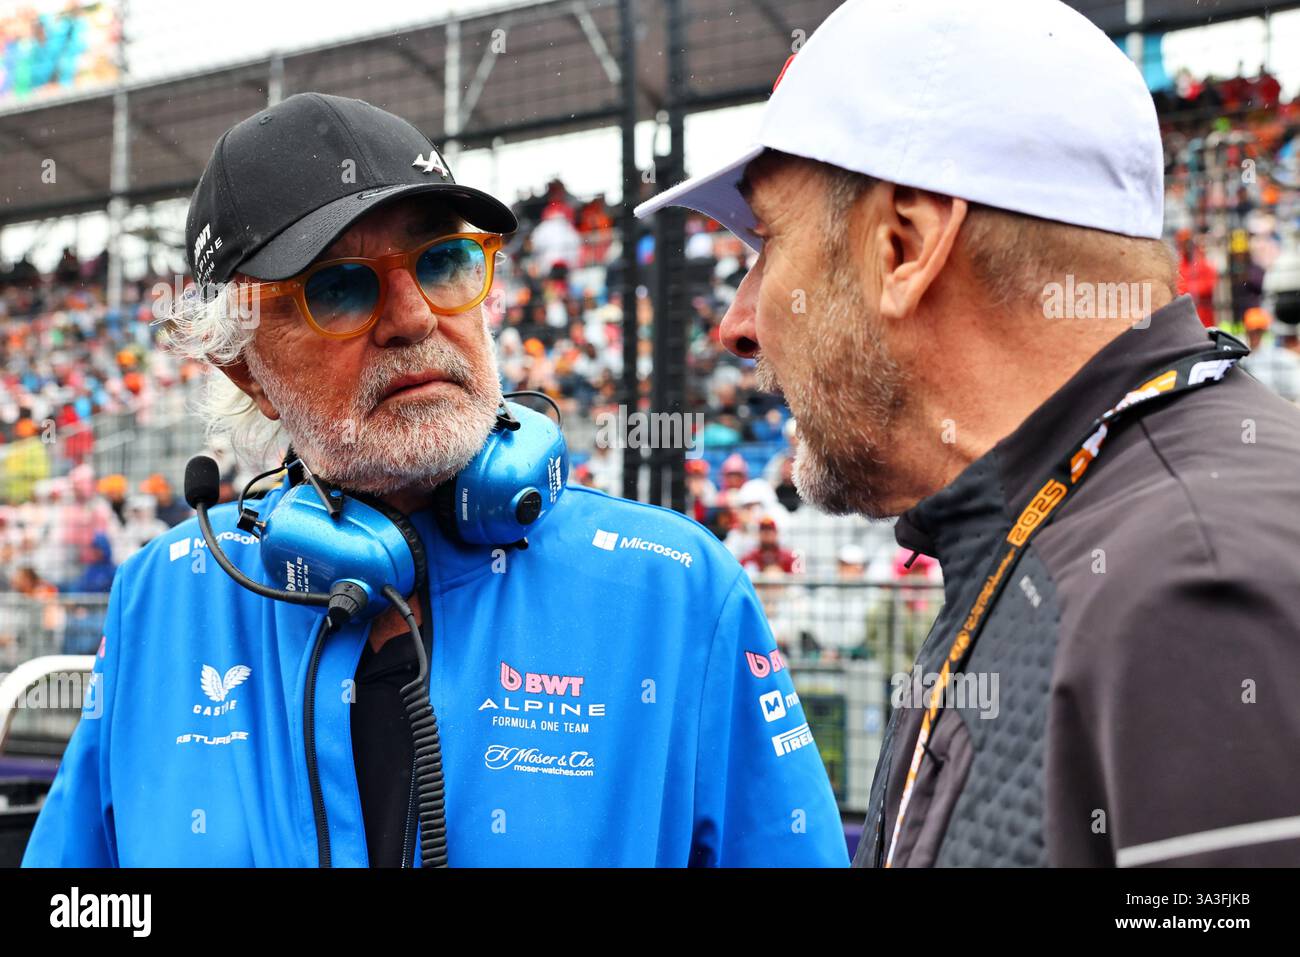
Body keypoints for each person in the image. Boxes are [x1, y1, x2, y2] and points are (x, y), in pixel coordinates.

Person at [23, 93, 845, 868]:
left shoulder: (677, 592)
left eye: (444, 260)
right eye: (339, 287)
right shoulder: (161, 600)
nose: (414, 316)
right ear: (246, 369)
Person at [637, 0, 1300, 866]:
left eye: (767, 243)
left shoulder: (1195, 589)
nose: (737, 321)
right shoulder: (1068, 518)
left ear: (906, 245)